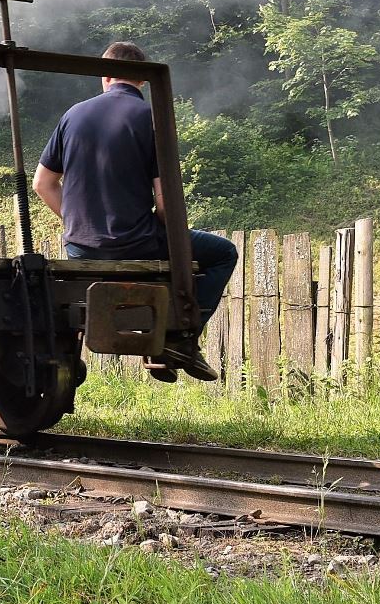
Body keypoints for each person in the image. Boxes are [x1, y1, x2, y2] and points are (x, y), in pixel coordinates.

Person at [31, 41, 238, 383]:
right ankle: (181, 338)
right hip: (135, 244)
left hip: (79, 248)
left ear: (105, 76)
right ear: (142, 80)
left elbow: (43, 183)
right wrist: (168, 233)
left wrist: (79, 224)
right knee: (223, 253)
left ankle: (171, 339)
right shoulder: (150, 118)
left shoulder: (72, 115)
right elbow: (165, 205)